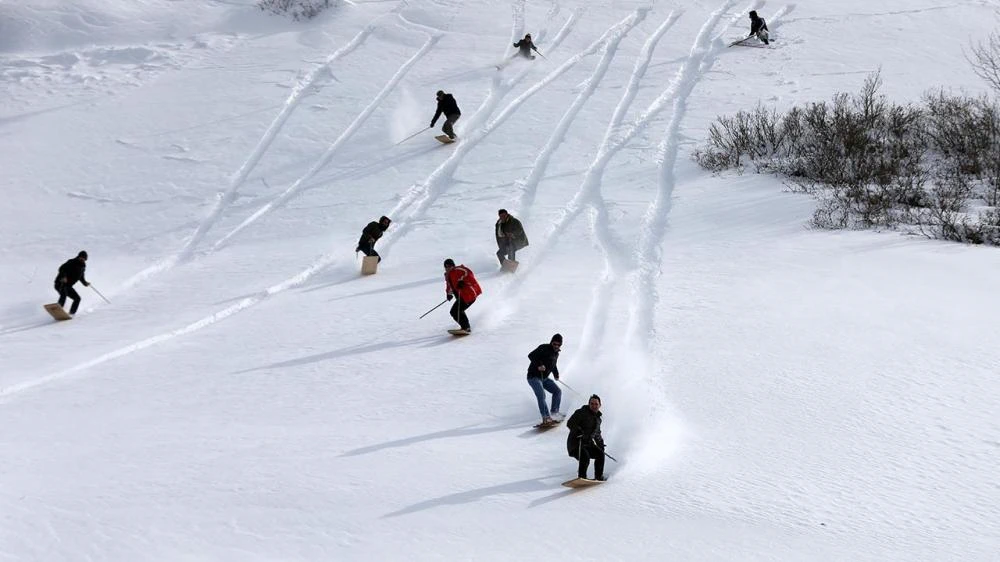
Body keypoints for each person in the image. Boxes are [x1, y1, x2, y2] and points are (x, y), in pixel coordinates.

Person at [567, 394, 606, 481]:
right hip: (576, 444)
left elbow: (597, 434)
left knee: (600, 454)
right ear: (589, 404)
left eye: (596, 404)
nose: (594, 406)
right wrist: (578, 431)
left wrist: (600, 444)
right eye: (592, 404)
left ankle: (599, 476)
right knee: (585, 456)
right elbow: (570, 423)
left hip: (588, 444)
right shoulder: (581, 412)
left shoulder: (598, 419)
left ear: (600, 405)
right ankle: (582, 478)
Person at [527, 334, 563, 424]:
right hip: (533, 377)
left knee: (557, 391)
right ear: (551, 342)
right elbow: (531, 355)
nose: (556, 346)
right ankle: (546, 417)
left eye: (558, 344)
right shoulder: (543, 348)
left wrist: (556, 374)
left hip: (544, 378)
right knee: (541, 395)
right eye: (554, 344)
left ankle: (554, 413)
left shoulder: (556, 354)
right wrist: (539, 365)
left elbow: (553, 365)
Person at [443, 258, 481, 333]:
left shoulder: (459, 269)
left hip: (469, 294)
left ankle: (466, 327)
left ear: (453, 265)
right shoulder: (447, 275)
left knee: (455, 311)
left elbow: (469, 274)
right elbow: (449, 286)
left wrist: (463, 281)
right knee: (456, 311)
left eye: (449, 266)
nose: (448, 268)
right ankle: (465, 327)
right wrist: (449, 294)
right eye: (446, 267)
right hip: (461, 296)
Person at [54, 251, 89, 315]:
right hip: (60, 283)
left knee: (77, 298)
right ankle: (58, 309)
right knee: (64, 293)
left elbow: (81, 277)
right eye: (81, 257)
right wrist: (64, 276)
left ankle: (71, 314)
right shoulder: (72, 262)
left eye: (84, 258)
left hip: (68, 286)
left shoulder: (82, 267)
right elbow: (61, 268)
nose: (82, 259)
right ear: (78, 256)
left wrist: (85, 283)